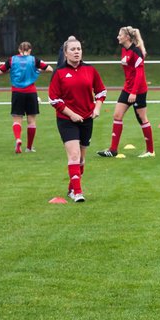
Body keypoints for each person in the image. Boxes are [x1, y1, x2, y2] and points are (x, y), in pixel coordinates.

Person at [47, 36, 106, 202]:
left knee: (81, 159)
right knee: (73, 155)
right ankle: (77, 192)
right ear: (65, 53)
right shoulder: (59, 73)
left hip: (87, 119)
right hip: (66, 120)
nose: (76, 52)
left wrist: (97, 108)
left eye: (78, 49)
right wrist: (71, 114)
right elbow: (54, 99)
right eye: (72, 49)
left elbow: (101, 91)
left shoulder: (90, 70)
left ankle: (71, 187)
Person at [97, 26, 154, 158]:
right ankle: (113, 150)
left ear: (127, 37)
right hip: (127, 88)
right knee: (117, 115)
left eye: (120, 35)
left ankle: (150, 151)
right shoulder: (124, 50)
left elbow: (139, 75)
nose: (118, 37)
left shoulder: (136, 52)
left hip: (138, 90)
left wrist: (134, 93)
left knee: (142, 118)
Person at [0, 41, 51, 154]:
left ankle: (18, 139)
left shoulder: (12, 60)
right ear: (30, 50)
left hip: (17, 92)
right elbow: (49, 69)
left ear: (19, 50)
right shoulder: (34, 60)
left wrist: (10, 71)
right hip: (31, 92)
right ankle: (29, 147)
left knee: (17, 119)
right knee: (31, 121)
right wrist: (38, 71)